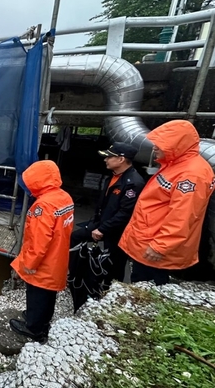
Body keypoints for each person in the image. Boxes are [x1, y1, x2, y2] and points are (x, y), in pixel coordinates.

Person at [119, 120, 214, 285]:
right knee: (139, 282)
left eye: (160, 144)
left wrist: (160, 246)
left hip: (155, 248)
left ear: (177, 145)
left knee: (148, 287)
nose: (154, 147)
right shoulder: (175, 164)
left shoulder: (192, 174)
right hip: (147, 239)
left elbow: (182, 217)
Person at [68, 142, 145, 310]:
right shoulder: (114, 175)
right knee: (75, 237)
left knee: (115, 263)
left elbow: (125, 214)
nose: (106, 160)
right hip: (101, 222)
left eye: (109, 157)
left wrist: (102, 229)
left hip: (117, 231)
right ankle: (74, 274)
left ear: (121, 159)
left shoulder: (133, 183)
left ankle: (109, 295)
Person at [9, 160, 74, 343]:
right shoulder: (64, 197)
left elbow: (39, 240)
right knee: (48, 294)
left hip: (44, 262)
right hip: (57, 256)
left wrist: (29, 264)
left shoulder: (42, 206)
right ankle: (41, 321)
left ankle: (33, 328)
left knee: (37, 293)